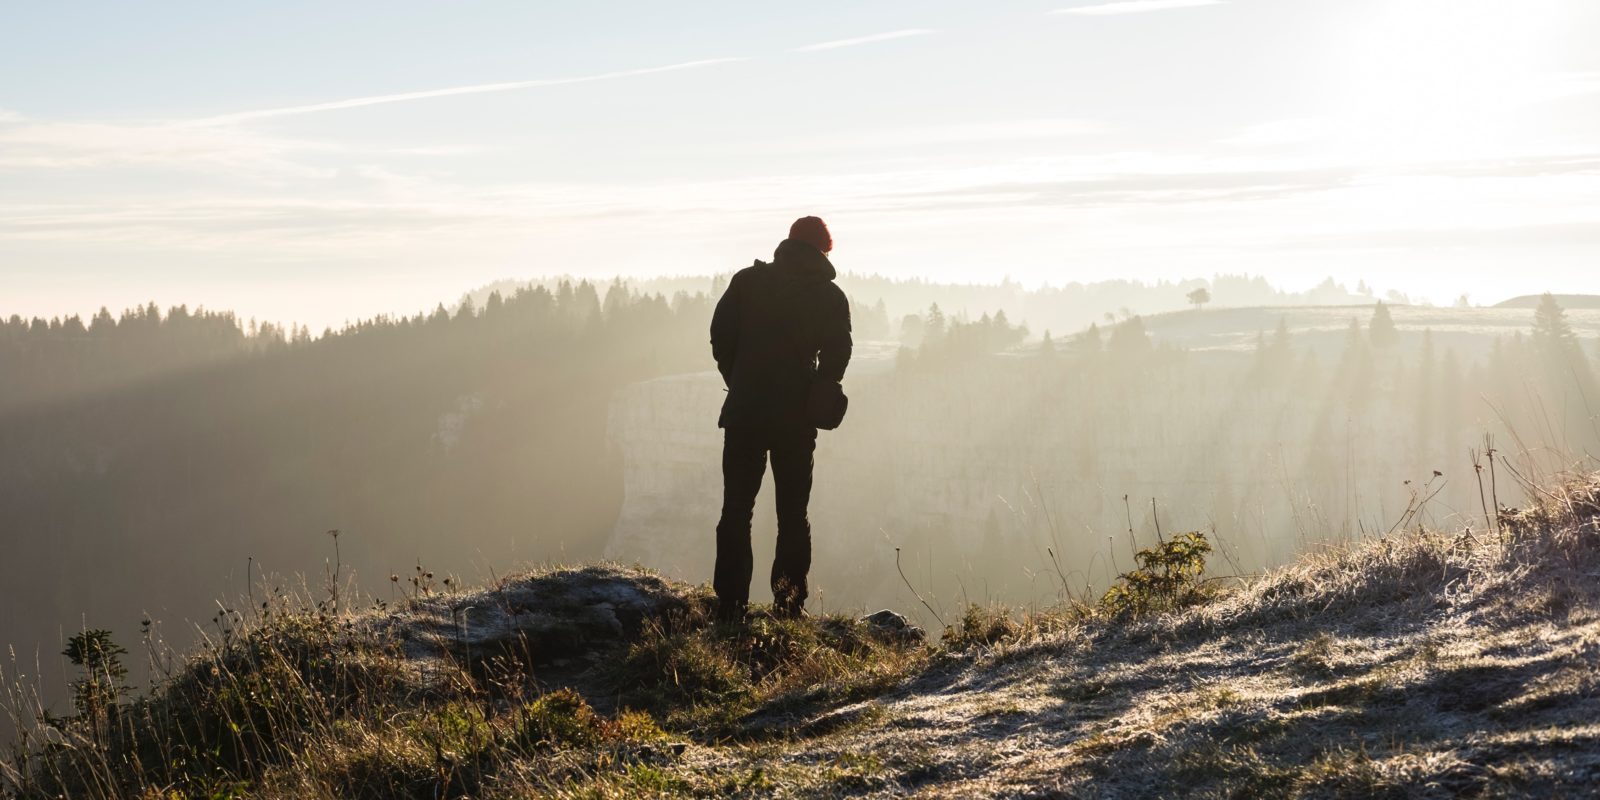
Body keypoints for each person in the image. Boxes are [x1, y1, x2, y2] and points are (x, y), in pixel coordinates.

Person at [709, 216, 852, 622]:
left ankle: (730, 606)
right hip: (795, 419)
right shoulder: (828, 296)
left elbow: (721, 336)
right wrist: (820, 385)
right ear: (824, 249)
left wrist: (738, 379)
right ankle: (789, 607)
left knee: (736, 509)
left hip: (744, 414)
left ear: (788, 243)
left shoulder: (746, 282)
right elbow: (839, 352)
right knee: (792, 514)